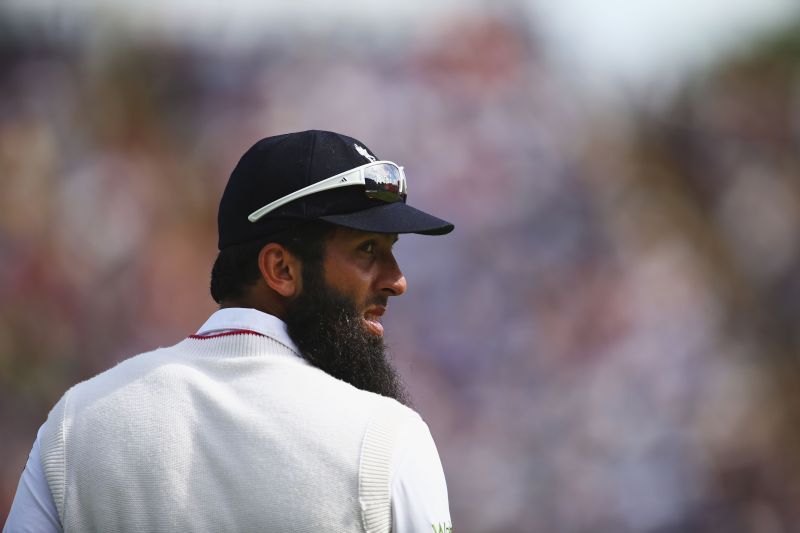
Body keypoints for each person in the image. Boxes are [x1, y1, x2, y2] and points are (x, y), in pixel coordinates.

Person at [4, 130, 454, 532]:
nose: (397, 280)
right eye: (368, 249)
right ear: (280, 268)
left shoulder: (76, 423)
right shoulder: (388, 439)